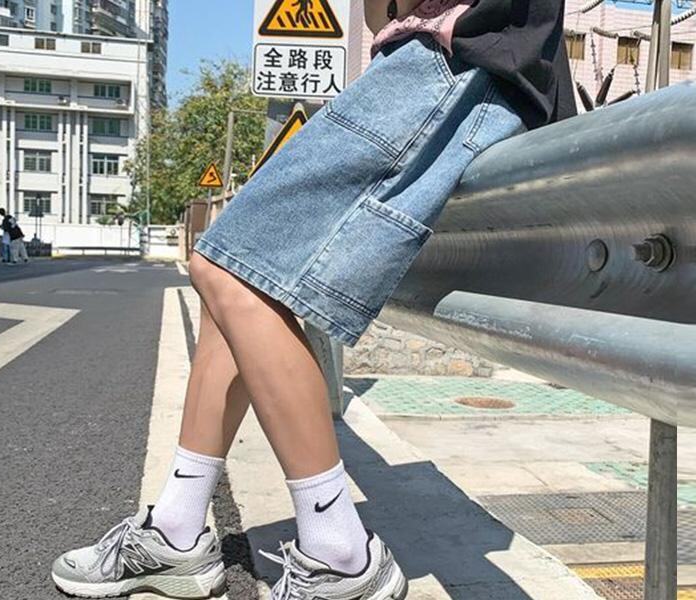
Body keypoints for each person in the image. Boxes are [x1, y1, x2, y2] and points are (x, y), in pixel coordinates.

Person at [52, 1, 576, 598]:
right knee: (232, 279)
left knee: (227, 269)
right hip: (443, 61)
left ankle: (339, 555)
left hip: (462, 60)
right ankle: (176, 530)